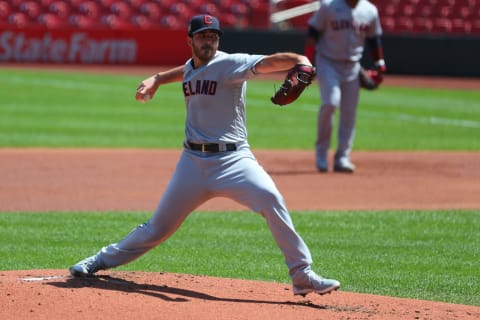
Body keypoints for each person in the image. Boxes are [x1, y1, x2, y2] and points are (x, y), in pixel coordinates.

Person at [69, 14, 340, 297]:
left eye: (213, 36)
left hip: (234, 161)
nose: (208, 41)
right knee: (157, 228)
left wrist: (300, 60)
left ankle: (302, 275)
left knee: (272, 200)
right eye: (202, 36)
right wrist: (158, 79)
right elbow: (187, 71)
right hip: (192, 164)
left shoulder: (230, 64)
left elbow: (271, 61)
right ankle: (98, 261)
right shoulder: (191, 66)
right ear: (190, 40)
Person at [304, 0, 386, 173]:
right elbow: (313, 32)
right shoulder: (328, 6)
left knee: (349, 113)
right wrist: (309, 63)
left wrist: (380, 64)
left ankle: (342, 157)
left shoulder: (370, 10)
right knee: (330, 103)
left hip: (353, 66)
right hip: (327, 62)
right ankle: (321, 152)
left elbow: (374, 39)